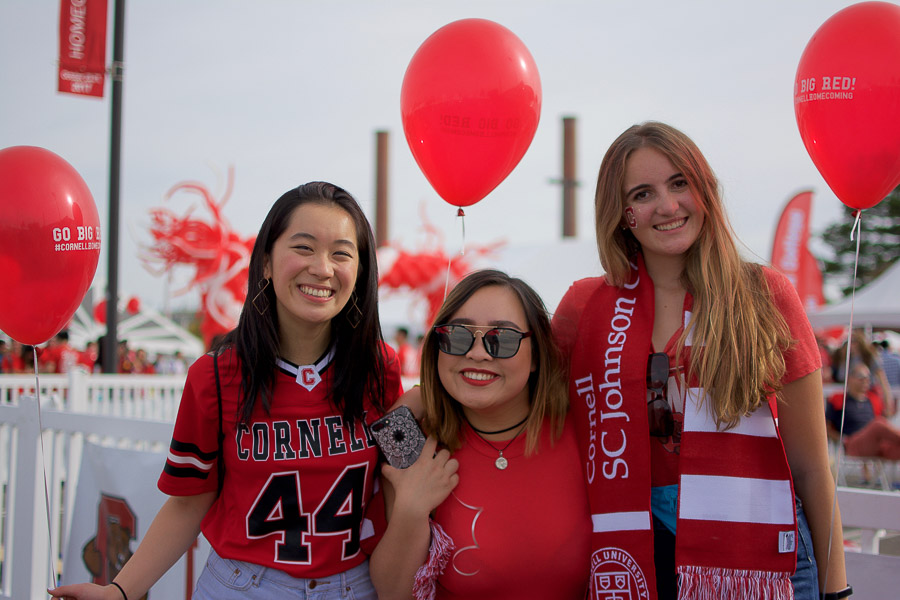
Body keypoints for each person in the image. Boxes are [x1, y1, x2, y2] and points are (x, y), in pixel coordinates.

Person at [50, 181, 403, 600]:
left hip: (355, 586)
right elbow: (188, 503)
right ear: (267, 262)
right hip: (243, 587)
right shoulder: (215, 376)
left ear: (360, 270)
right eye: (304, 248)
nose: (323, 268)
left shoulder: (380, 369)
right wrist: (121, 591)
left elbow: (400, 484)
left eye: (341, 253)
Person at [552, 122, 849, 600]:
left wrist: (837, 590)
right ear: (621, 212)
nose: (668, 206)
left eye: (679, 183)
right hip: (635, 551)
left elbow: (813, 467)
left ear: (704, 190)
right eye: (643, 193)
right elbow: (529, 410)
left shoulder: (765, 296)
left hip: (763, 555)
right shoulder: (583, 309)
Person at [370, 270, 590, 600]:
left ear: (536, 355)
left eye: (502, 338)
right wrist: (412, 510)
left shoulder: (585, 432)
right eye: (458, 336)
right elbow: (392, 592)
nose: (477, 353)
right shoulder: (415, 445)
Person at [827, 363, 900, 460]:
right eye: (861, 377)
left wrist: (882, 379)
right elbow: (827, 428)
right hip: (851, 443)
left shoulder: (873, 400)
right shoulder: (839, 399)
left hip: (874, 444)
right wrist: (842, 440)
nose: (866, 380)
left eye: (868, 377)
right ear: (850, 378)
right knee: (878, 424)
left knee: (895, 448)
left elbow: (888, 412)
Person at [831, 330, 894, 416]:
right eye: (849, 342)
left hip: (869, 395)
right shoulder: (846, 359)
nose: (852, 345)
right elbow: (841, 377)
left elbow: (883, 381)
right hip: (852, 396)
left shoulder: (869, 357)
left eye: (854, 342)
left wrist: (888, 402)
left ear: (860, 343)